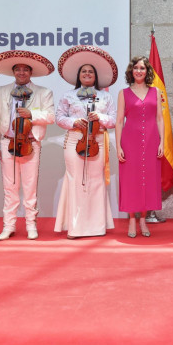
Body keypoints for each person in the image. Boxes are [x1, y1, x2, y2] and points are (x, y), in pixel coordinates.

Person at [0, 50, 56, 241]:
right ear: (13, 72)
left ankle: (30, 225)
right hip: (7, 142)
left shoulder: (43, 92)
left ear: (31, 73)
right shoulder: (3, 91)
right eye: (17, 70)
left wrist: (32, 115)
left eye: (25, 70)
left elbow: (51, 116)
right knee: (9, 186)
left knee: (29, 186)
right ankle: (8, 225)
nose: (21, 73)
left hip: (30, 143)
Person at [55, 45, 117, 238]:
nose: (87, 74)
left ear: (95, 76)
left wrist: (98, 116)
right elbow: (59, 118)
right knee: (75, 182)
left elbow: (113, 120)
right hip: (75, 140)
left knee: (96, 182)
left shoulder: (106, 96)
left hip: (98, 140)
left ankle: (97, 227)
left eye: (91, 71)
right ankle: (75, 227)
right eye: (84, 71)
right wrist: (75, 122)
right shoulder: (68, 95)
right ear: (79, 76)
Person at [115, 56, 163, 238]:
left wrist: (162, 142)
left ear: (147, 71)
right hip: (130, 141)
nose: (139, 71)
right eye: (136, 68)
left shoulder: (156, 92)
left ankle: (143, 218)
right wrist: (118, 145)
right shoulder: (123, 93)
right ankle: (132, 219)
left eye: (142, 68)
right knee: (130, 180)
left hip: (151, 142)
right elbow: (119, 121)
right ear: (131, 71)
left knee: (147, 179)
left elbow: (159, 118)